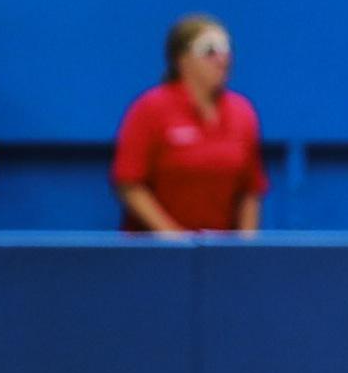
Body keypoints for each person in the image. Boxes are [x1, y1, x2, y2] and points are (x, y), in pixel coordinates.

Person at [111, 14, 268, 234]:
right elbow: (129, 182)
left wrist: (244, 247)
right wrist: (173, 238)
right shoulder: (150, 108)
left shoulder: (243, 113)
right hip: (154, 253)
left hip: (219, 254)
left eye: (226, 50)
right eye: (210, 51)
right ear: (181, 59)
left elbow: (251, 189)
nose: (223, 59)